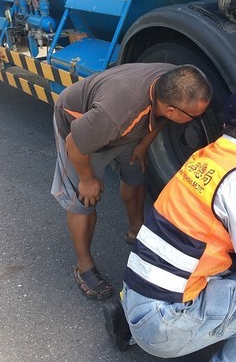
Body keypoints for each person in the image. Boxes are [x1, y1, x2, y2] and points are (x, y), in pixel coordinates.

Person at [103, 86, 236, 361]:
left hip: (135, 295)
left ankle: (131, 323)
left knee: (227, 260)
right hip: (164, 321)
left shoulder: (207, 157)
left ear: (226, 126)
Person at [51, 63, 213, 300]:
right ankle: (83, 266)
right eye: (194, 116)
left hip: (123, 129)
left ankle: (136, 231)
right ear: (170, 109)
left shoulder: (174, 81)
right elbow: (75, 145)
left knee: (136, 172)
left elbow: (159, 120)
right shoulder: (116, 114)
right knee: (84, 200)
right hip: (80, 134)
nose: (197, 120)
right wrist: (87, 179)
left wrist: (143, 145)